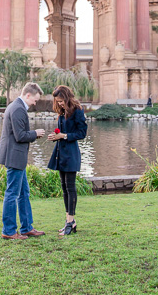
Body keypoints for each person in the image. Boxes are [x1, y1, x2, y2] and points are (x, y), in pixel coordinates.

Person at [0, 82, 46, 240]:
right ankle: (9, 231)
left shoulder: (14, 106)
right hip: (14, 156)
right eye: (35, 100)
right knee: (12, 194)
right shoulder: (18, 109)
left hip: (16, 157)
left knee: (24, 192)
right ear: (28, 95)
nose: (35, 103)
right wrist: (35, 133)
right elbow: (20, 136)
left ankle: (26, 227)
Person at [46, 85, 87, 236]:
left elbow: (82, 133)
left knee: (70, 187)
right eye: (58, 101)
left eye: (62, 101)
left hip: (71, 154)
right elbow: (62, 132)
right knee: (64, 188)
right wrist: (55, 136)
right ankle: (69, 221)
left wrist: (63, 136)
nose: (60, 104)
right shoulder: (62, 112)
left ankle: (70, 221)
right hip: (60, 153)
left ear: (67, 97)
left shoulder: (77, 110)